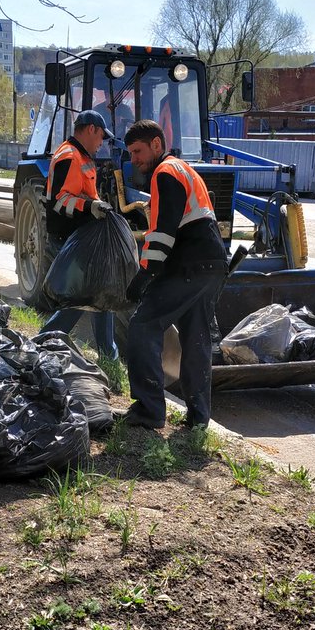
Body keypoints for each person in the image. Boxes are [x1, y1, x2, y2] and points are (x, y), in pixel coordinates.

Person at [121, 119, 227, 428]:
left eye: (138, 151)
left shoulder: (164, 173)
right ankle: (198, 418)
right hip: (212, 262)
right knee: (196, 340)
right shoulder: (184, 169)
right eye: (130, 153)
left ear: (157, 144)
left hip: (190, 262)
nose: (134, 160)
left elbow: (164, 234)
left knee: (143, 325)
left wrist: (144, 276)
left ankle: (149, 410)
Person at [41, 109, 118, 359]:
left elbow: (83, 193)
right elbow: (60, 201)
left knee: (101, 293)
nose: (101, 143)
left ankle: (108, 354)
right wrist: (90, 207)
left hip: (81, 240)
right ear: (91, 129)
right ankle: (41, 344)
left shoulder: (81, 156)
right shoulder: (69, 156)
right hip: (69, 241)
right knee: (82, 299)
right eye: (101, 137)